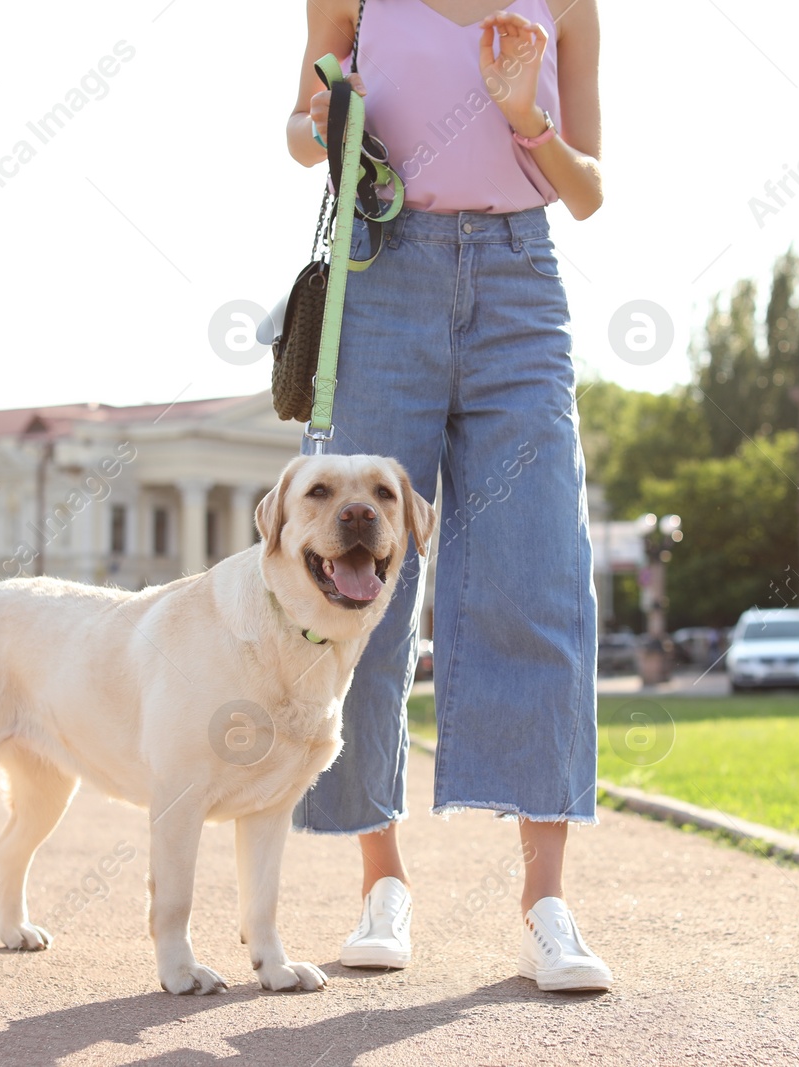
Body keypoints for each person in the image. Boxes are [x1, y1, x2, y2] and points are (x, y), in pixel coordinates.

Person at [285, 0, 608, 992]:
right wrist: (329, 110)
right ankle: (381, 881)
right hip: (381, 279)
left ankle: (544, 904)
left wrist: (526, 116)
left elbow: (588, 191)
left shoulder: (563, 9)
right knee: (357, 579)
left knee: (538, 573)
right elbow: (299, 139)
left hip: (519, 286)